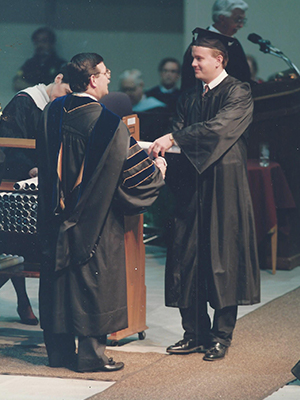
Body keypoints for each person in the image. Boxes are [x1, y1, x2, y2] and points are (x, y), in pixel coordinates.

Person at [37, 53, 166, 372]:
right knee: (92, 283)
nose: (109, 77)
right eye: (106, 73)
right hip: (94, 221)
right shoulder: (108, 123)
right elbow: (137, 179)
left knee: (59, 284)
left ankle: (59, 354)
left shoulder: (52, 111)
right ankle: (92, 357)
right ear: (93, 80)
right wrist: (158, 169)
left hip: (55, 216)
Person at [148, 28, 260, 361]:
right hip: (190, 186)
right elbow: (182, 131)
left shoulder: (239, 93)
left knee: (222, 259)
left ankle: (220, 337)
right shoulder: (188, 97)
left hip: (224, 187)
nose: (193, 64)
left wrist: (174, 137)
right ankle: (194, 333)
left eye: (199, 58)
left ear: (218, 59)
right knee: (187, 257)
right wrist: (175, 139)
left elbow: (219, 130)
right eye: (193, 58)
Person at [0, 67, 71, 325]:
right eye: (66, 90)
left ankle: (36, 305)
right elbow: (9, 146)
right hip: (17, 183)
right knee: (13, 247)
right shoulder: (24, 102)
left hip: (47, 184)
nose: (66, 97)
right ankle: (23, 300)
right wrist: (31, 168)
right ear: (58, 79)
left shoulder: (60, 106)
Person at [181, 0, 251, 92]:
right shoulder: (202, 43)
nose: (241, 25)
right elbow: (192, 84)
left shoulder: (234, 43)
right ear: (222, 19)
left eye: (243, 20)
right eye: (237, 20)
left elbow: (243, 78)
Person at [119, 69, 169, 142]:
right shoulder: (119, 108)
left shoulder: (157, 109)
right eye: (124, 90)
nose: (127, 93)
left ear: (141, 86)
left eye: (131, 89)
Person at [13, 27, 66, 92]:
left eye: (44, 41)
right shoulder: (29, 63)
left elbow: (58, 89)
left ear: (52, 43)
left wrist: (30, 86)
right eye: (37, 42)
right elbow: (17, 83)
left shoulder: (60, 65)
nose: (40, 45)